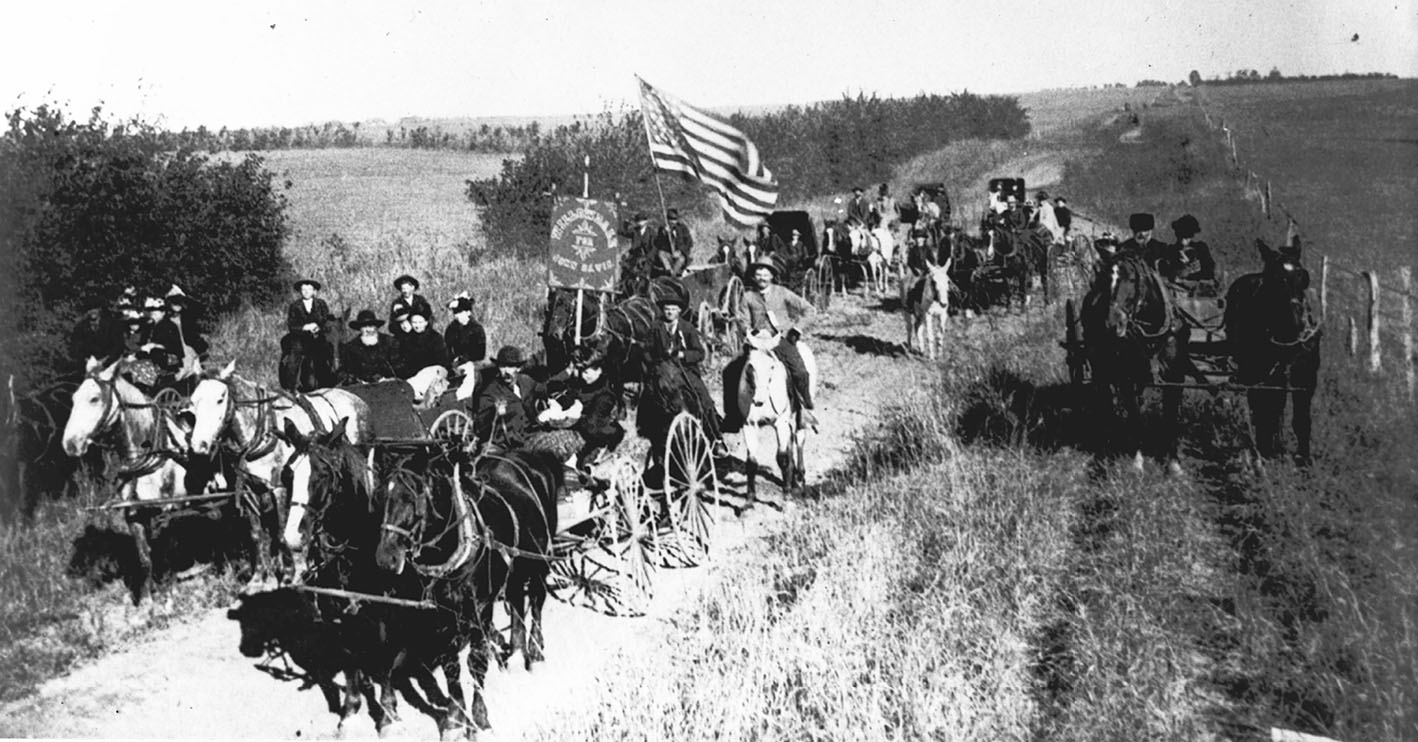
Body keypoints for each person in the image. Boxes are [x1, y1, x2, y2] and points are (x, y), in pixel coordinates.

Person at [735, 257, 818, 428]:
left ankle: (805, 408)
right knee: (734, 371)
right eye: (758, 274)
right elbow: (742, 319)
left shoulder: (782, 292)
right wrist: (748, 333)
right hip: (757, 341)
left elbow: (809, 310)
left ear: (772, 276)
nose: (762, 278)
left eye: (766, 274)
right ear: (753, 277)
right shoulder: (748, 296)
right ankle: (737, 414)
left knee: (800, 371)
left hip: (781, 339)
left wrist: (796, 329)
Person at [647, 295, 727, 456]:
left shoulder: (687, 328)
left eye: (673, 310)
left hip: (685, 371)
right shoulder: (655, 327)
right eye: (667, 309)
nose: (669, 312)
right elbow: (647, 349)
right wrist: (654, 361)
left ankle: (716, 439)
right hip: (662, 370)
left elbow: (700, 353)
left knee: (703, 399)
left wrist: (683, 355)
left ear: (679, 311)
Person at [567, 348, 625, 467]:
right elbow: (568, 399)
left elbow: (592, 425)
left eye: (587, 372)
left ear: (598, 370)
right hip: (578, 429)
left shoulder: (605, 396)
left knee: (582, 465)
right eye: (581, 371)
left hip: (597, 435)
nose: (583, 376)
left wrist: (574, 416)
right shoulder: (581, 385)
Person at [474, 345, 540, 448]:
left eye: (510, 366)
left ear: (518, 368)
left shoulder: (527, 382)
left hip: (533, 434)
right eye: (502, 366)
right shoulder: (490, 392)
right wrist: (494, 410)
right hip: (509, 442)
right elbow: (481, 423)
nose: (505, 371)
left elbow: (544, 390)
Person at [281, 278, 334, 390]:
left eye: (309, 289)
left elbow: (326, 319)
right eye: (303, 289)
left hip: (318, 335)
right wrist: (305, 327)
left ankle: (331, 380)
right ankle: (291, 385)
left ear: (314, 291)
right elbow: (292, 325)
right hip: (301, 337)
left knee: (329, 349)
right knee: (295, 353)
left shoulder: (321, 304)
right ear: (300, 291)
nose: (306, 292)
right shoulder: (295, 306)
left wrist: (318, 327)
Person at [339, 310, 400, 385]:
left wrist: (385, 374)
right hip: (361, 388)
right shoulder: (350, 347)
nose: (368, 330)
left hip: (388, 386)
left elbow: (399, 366)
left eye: (371, 326)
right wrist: (355, 379)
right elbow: (342, 372)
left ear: (376, 327)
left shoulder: (390, 343)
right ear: (359, 328)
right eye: (364, 326)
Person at [444, 292, 486, 398]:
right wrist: (451, 361)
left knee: (467, 373)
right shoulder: (451, 328)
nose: (457, 316)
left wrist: (463, 359)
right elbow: (447, 347)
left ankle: (463, 398)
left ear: (468, 312)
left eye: (460, 312)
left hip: (472, 363)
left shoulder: (476, 329)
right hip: (454, 364)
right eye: (455, 313)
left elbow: (480, 353)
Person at [1161, 214, 1217, 288]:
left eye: (1186, 237)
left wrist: (1189, 268)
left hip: (1198, 286)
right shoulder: (1171, 250)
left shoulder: (1200, 248)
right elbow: (1166, 273)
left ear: (1191, 236)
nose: (1183, 241)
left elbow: (1208, 272)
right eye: (1180, 236)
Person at [388, 274, 433, 339]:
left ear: (413, 288)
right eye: (403, 288)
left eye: (407, 288)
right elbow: (392, 325)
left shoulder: (420, 300)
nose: (405, 291)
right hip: (404, 337)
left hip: (421, 335)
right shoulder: (397, 303)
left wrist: (424, 329)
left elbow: (429, 318)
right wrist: (402, 326)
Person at [653, 207, 693, 277]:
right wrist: (664, 233)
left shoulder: (682, 228)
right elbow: (658, 244)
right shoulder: (662, 229)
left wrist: (680, 251)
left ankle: (672, 275)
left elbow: (690, 243)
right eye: (670, 220)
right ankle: (668, 270)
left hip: (680, 255)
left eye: (674, 220)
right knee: (661, 254)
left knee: (681, 260)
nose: (672, 222)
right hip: (668, 254)